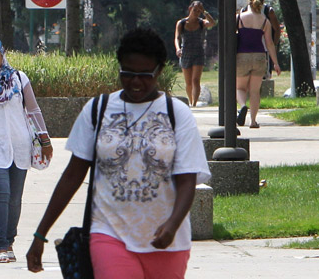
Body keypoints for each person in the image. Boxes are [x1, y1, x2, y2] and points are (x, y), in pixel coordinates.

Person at [26, 28, 211, 278]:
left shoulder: (177, 114)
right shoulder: (98, 110)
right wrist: (41, 233)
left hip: (168, 239)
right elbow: (72, 175)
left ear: (159, 71)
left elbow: (187, 179)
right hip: (108, 233)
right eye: (127, 73)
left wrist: (172, 225)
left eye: (145, 74)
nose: (136, 81)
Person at [0, 36, 53, 263]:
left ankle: (10, 240)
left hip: (21, 145)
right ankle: (0, 244)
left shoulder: (19, 79)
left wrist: (45, 139)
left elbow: (33, 110)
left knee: (15, 198)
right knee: (1, 193)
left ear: (2, 53)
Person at [236, 0, 281, 128]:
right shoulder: (264, 20)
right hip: (260, 57)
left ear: (249, 2)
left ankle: (243, 107)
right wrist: (275, 63)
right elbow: (269, 43)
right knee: (255, 91)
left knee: (240, 88)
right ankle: (253, 121)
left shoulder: (239, 17)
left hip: (242, 56)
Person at [174, 0, 215, 107]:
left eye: (198, 11)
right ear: (190, 9)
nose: (196, 12)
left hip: (198, 53)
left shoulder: (202, 23)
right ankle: (191, 99)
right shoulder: (181, 23)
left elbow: (212, 23)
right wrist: (178, 49)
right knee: (188, 82)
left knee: (195, 80)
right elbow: (177, 38)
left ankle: (194, 103)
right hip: (185, 53)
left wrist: (205, 12)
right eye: (195, 10)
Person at [241, 0, 280, 79]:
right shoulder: (244, 10)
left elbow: (277, 30)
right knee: (262, 80)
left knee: (244, 84)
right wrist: (274, 47)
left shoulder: (244, 11)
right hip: (262, 50)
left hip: (245, 51)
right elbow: (277, 30)